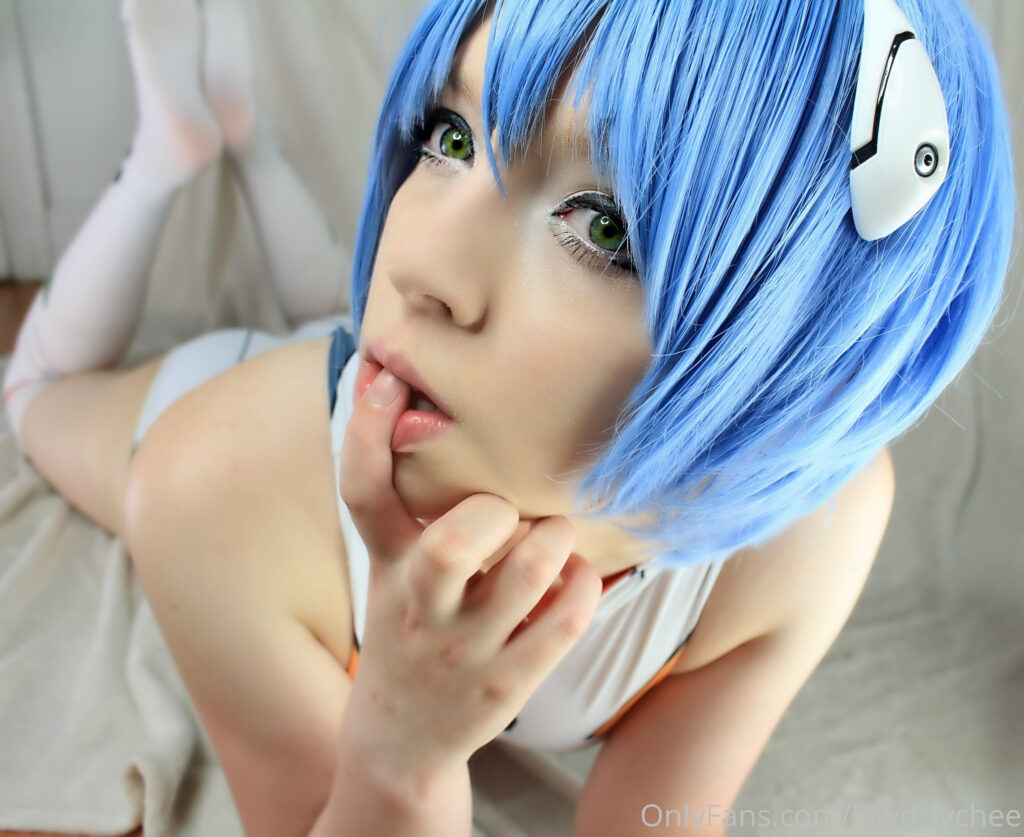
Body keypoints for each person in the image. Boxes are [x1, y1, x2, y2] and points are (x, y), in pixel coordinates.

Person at [2, 0, 1013, 834]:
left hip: (411, 379)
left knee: (358, 317)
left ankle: (247, 142)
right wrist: (400, 755)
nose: (418, 261)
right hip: (259, 409)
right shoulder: (209, 482)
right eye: (448, 137)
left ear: (799, 350)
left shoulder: (803, 533)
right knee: (33, 397)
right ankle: (175, 151)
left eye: (602, 225)